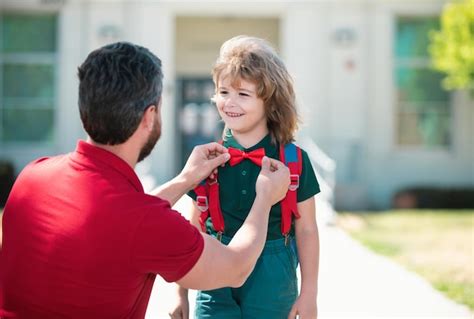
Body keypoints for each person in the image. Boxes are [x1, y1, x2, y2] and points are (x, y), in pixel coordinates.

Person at [0, 42, 291, 319]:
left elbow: (116, 223)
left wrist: (186, 179)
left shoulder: (32, 176)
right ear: (149, 117)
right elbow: (236, 267)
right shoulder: (146, 224)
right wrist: (265, 198)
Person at [170, 35, 321, 319]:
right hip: (214, 269)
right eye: (224, 91)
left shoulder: (294, 160)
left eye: (243, 94)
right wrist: (181, 293)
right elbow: (195, 227)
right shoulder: (206, 159)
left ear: (270, 101)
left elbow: (308, 230)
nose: (230, 102)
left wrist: (309, 294)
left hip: (273, 275)